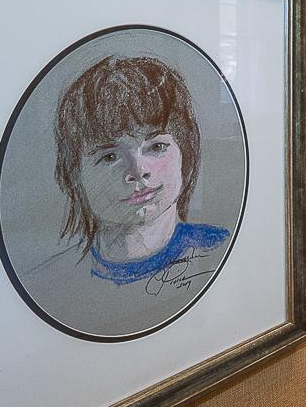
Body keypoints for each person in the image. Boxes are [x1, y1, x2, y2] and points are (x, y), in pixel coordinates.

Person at [50, 53, 229, 287]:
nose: (138, 170)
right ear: (73, 175)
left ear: (186, 154)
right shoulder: (54, 280)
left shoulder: (220, 250)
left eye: (157, 147)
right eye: (110, 156)